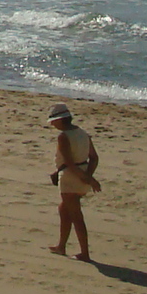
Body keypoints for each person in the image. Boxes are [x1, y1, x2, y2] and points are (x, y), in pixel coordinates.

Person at [46, 103, 99, 261]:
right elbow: (94, 158)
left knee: (76, 215)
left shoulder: (64, 136)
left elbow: (68, 162)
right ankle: (61, 246)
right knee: (64, 209)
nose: (53, 124)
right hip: (81, 174)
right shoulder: (83, 133)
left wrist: (88, 178)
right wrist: (88, 176)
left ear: (61, 120)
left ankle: (85, 253)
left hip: (70, 177)